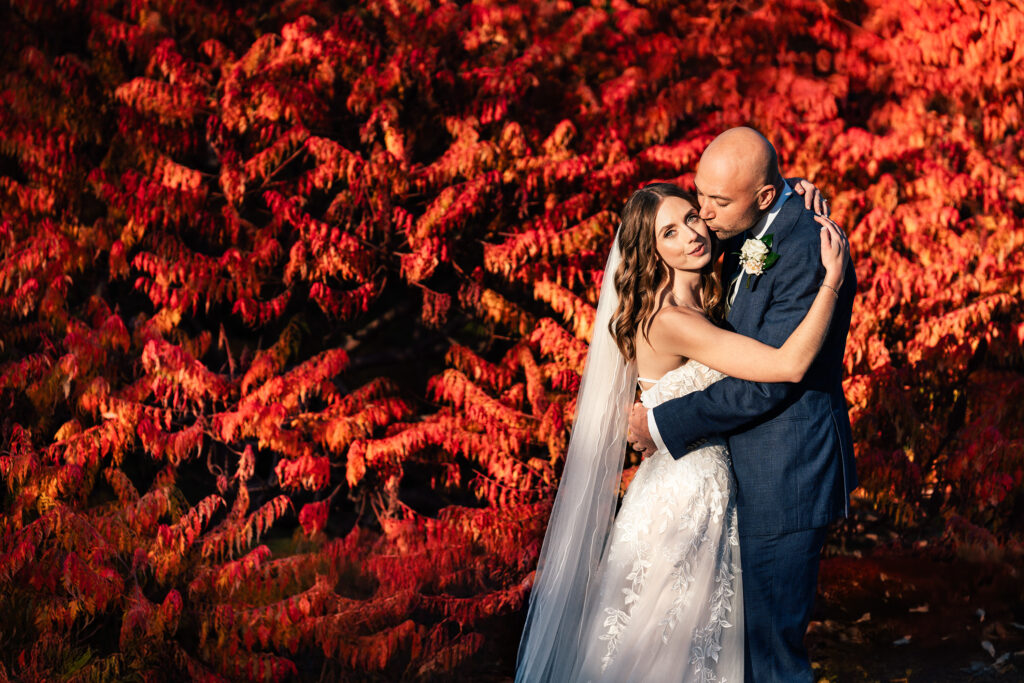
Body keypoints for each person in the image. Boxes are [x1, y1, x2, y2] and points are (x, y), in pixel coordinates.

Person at [515, 171, 849, 679]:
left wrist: (791, 186)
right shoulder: (671, 319)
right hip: (684, 499)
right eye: (668, 232)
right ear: (650, 253)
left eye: (691, 216)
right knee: (666, 643)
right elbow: (787, 367)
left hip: (716, 490)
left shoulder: (710, 292)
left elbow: (749, 198)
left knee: (704, 646)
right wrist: (831, 282)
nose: (691, 233)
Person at [627, 127, 858, 682]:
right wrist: (795, 186)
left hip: (787, 473)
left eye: (716, 202)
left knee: (770, 654)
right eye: (699, 196)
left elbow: (772, 379)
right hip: (723, 483)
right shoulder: (742, 227)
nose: (702, 216)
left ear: (761, 195)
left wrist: (660, 421)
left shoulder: (804, 250)